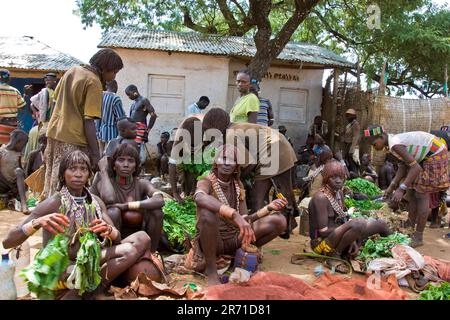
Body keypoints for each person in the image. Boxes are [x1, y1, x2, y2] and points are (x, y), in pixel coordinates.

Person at [2, 150, 150, 299]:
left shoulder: (95, 202)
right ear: (62, 175)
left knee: (142, 238)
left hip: (89, 260)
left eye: (83, 169)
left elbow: (116, 239)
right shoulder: (54, 202)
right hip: (61, 268)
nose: (78, 174)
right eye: (72, 169)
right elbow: (8, 242)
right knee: (128, 251)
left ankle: (91, 291)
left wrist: (109, 231)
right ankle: (77, 294)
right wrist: (36, 223)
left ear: (89, 175)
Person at [189, 145, 288, 285]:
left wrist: (268, 208)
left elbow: (245, 219)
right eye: (223, 158)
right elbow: (199, 197)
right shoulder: (206, 181)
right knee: (207, 213)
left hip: (235, 239)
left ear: (236, 166)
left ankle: (240, 254)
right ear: (216, 162)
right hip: (212, 242)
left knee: (279, 221)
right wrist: (233, 214)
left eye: (232, 160)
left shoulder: (238, 186)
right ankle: (211, 270)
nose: (227, 163)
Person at [202, 108, 299, 238]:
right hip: (282, 146)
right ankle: (287, 226)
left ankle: (253, 236)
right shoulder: (235, 128)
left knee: (256, 197)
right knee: (284, 192)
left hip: (272, 152)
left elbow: (250, 163)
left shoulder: (231, 135)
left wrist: (237, 179)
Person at [43, 49, 124, 199]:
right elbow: (89, 121)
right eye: (114, 72)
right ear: (105, 68)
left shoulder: (72, 70)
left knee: (53, 178)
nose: (113, 77)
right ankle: (63, 216)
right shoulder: (93, 82)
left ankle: (48, 213)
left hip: (54, 133)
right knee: (69, 182)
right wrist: (95, 153)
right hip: (73, 139)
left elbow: (55, 104)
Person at [365, 125, 450, 247]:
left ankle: (419, 236)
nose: (374, 147)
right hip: (426, 157)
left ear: (381, 137)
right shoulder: (392, 145)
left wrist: (401, 188)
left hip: (435, 155)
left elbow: (415, 167)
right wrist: (392, 187)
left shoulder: (395, 144)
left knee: (421, 194)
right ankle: (410, 226)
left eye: (374, 144)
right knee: (414, 191)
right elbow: (403, 166)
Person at [308, 161, 391, 272]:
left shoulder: (339, 193)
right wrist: (350, 229)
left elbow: (343, 221)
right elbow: (323, 231)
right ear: (326, 178)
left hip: (341, 236)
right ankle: (335, 255)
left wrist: (352, 238)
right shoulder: (321, 198)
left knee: (381, 224)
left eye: (341, 177)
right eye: (333, 177)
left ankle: (392, 249)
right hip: (324, 242)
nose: (338, 180)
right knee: (359, 223)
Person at [90, 144, 165, 252]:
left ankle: (151, 253)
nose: (126, 165)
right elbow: (109, 199)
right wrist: (103, 171)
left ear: (135, 167)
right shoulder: (105, 182)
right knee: (113, 212)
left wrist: (125, 206)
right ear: (114, 165)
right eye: (121, 160)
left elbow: (159, 200)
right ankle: (112, 252)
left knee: (157, 212)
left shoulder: (141, 183)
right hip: (111, 235)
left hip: (139, 235)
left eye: (130, 161)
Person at [24, 73, 57, 162]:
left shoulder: (57, 92)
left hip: (53, 122)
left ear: (55, 81)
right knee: (44, 143)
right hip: (46, 122)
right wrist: (37, 114)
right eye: (46, 80)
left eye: (49, 80)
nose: (47, 82)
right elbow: (32, 103)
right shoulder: (44, 92)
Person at [125, 85, 157, 167]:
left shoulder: (144, 101)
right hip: (132, 130)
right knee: (132, 150)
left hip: (140, 129)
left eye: (129, 94)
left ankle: (138, 170)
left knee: (138, 152)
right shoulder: (133, 103)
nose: (129, 97)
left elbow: (153, 115)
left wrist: (147, 130)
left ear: (134, 91)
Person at [0, 129, 29, 213]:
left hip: (14, 186)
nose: (23, 147)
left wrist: (25, 180)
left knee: (19, 171)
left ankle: (24, 204)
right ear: (17, 142)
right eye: (23, 144)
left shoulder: (18, 154)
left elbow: (21, 171)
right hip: (3, 184)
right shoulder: (2, 151)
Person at [96, 80, 126, 155]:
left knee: (100, 153)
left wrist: (97, 131)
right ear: (116, 87)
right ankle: (107, 167)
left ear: (106, 86)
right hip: (112, 131)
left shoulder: (100, 95)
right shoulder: (116, 98)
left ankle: (99, 166)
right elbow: (121, 118)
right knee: (110, 154)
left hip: (101, 130)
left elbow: (96, 115)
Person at [0, 69, 26, 145]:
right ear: (9, 78)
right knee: (9, 147)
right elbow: (22, 107)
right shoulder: (15, 91)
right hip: (12, 125)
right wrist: (24, 95)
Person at [342, 108, 361, 173]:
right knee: (348, 163)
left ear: (353, 116)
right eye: (347, 115)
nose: (347, 117)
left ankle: (355, 177)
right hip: (348, 146)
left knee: (353, 163)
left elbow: (356, 137)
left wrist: (352, 150)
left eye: (349, 115)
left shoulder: (355, 124)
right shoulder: (349, 125)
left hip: (352, 146)